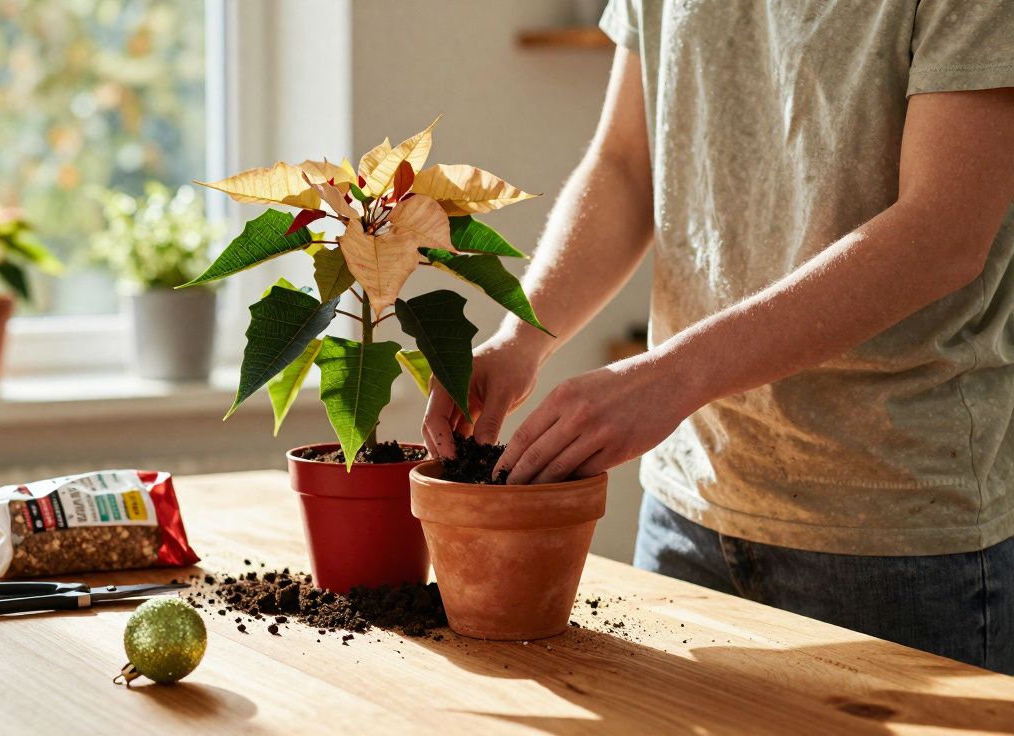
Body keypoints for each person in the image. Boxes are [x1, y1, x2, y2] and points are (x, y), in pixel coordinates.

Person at [422, 1, 1014, 673]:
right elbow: (626, 164)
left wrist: (672, 375)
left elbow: (943, 234)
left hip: (895, 532)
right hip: (687, 507)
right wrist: (521, 337)